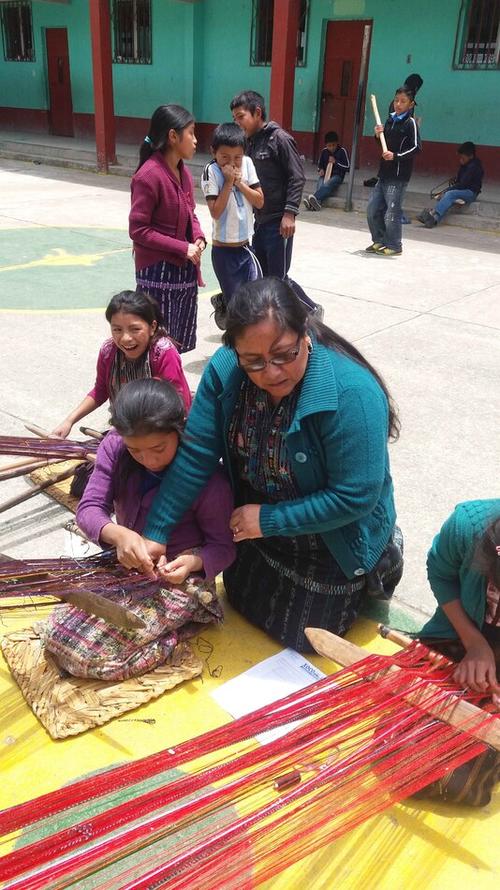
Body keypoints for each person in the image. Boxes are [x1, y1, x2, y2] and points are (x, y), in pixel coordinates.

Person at [117, 277, 404, 653]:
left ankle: (384, 556)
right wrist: (157, 531)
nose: (270, 373)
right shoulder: (225, 370)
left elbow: (355, 496)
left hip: (331, 538)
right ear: (233, 350)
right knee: (234, 599)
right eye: (252, 361)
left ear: (305, 334)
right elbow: (196, 454)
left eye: (284, 354)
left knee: (303, 638)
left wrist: (268, 520)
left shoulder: (352, 392)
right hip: (255, 529)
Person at [76, 378, 235, 585]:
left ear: (178, 431)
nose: (149, 461)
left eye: (158, 449)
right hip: (126, 567)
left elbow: (223, 547)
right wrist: (118, 535)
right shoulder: (114, 446)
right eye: (134, 450)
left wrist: (194, 562)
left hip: (180, 578)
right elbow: (89, 508)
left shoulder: (209, 481)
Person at [412, 500, 500, 806]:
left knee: (460, 782)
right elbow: (441, 573)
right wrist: (474, 643)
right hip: (455, 637)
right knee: (406, 759)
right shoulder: (469, 526)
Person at [52, 290, 191, 439]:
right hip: (127, 431)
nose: (125, 338)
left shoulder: (163, 352)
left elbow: (175, 404)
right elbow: (101, 391)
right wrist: (69, 421)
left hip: (164, 429)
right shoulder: (108, 351)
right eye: (117, 329)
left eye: (135, 329)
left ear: (152, 327)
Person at [230, 90, 319, 314]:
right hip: (259, 221)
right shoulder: (248, 143)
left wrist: (289, 214)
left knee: (278, 279)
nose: (237, 122)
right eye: (234, 118)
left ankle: (310, 311)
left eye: (240, 117)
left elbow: (297, 177)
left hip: (279, 222)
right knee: (262, 276)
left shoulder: (279, 139)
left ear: (257, 112)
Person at [129, 104, 206, 353]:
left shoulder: (183, 172)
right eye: (191, 133)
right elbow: (139, 229)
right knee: (157, 344)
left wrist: (198, 236)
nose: (196, 140)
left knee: (176, 343)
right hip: (156, 273)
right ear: (173, 136)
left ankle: (171, 387)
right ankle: (155, 390)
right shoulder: (148, 176)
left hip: (182, 270)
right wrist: (182, 247)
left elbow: (189, 212)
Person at [201, 122, 264, 329]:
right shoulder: (211, 171)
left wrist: (239, 183)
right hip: (223, 252)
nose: (232, 163)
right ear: (214, 152)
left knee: (256, 305)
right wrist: (228, 182)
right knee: (238, 312)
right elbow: (216, 212)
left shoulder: (247, 164)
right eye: (224, 157)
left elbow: (259, 201)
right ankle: (236, 347)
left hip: (246, 249)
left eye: (236, 157)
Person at [366, 85, 421, 257]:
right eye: (396, 100)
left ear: (410, 104)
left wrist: (396, 156)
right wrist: (378, 136)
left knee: (392, 212)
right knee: (373, 209)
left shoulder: (410, 123)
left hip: (398, 176)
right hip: (384, 173)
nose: (398, 104)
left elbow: (416, 148)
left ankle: (395, 245)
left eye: (403, 101)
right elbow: (384, 148)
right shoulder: (390, 121)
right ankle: (379, 240)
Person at [417, 142, 484, 228]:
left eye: (463, 157)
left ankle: (431, 213)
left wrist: (446, 191)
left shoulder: (474, 166)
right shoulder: (466, 164)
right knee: (447, 198)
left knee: (449, 194)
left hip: (471, 192)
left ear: (470, 156)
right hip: (464, 190)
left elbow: (462, 184)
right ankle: (434, 219)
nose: (461, 159)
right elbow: (460, 181)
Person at [303, 131, 350, 211]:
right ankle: (316, 203)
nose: (331, 148)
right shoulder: (324, 151)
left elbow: (347, 167)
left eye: (333, 145)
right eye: (329, 146)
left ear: (337, 143)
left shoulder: (342, 151)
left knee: (327, 184)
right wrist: (320, 170)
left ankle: (312, 199)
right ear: (326, 145)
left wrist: (336, 162)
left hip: (337, 176)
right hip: (325, 175)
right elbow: (320, 164)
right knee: (320, 183)